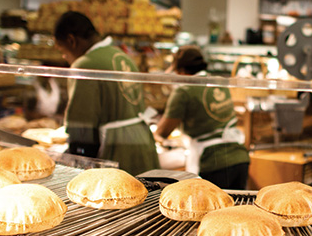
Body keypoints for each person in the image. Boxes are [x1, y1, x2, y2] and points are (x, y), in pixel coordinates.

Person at [53, 11, 159, 175]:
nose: (63, 56)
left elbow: (82, 124)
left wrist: (73, 165)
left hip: (116, 151)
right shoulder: (122, 56)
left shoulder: (85, 65)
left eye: (62, 49)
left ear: (71, 40)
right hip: (142, 145)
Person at [154, 46, 250, 189]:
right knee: (234, 209)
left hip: (213, 162)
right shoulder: (218, 81)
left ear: (180, 70)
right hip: (240, 157)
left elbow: (162, 132)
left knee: (211, 210)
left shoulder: (184, 91)